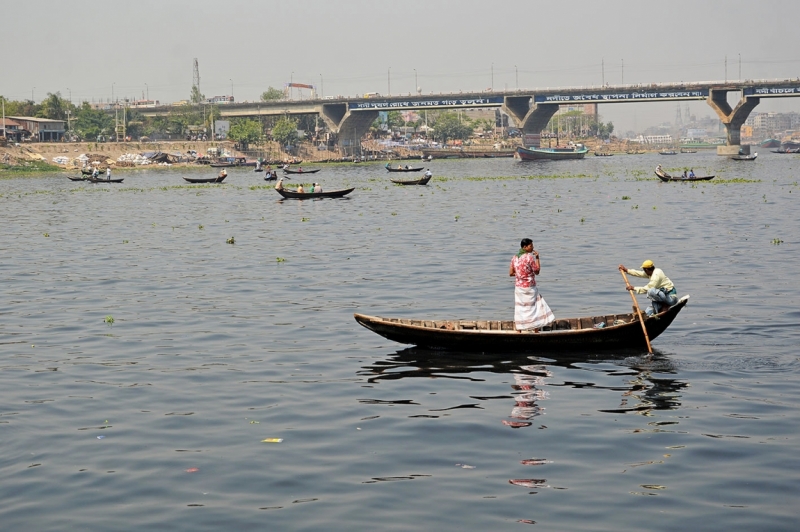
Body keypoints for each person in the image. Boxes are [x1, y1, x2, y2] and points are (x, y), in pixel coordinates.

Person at [509, 238, 555, 332]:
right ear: (524, 247)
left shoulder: (515, 257)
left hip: (519, 288)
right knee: (535, 307)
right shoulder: (529, 257)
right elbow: (537, 271)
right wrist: (537, 258)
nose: (532, 247)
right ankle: (536, 330)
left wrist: (520, 275)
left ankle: (519, 330)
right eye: (531, 246)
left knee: (520, 308)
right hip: (529, 287)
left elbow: (511, 273)